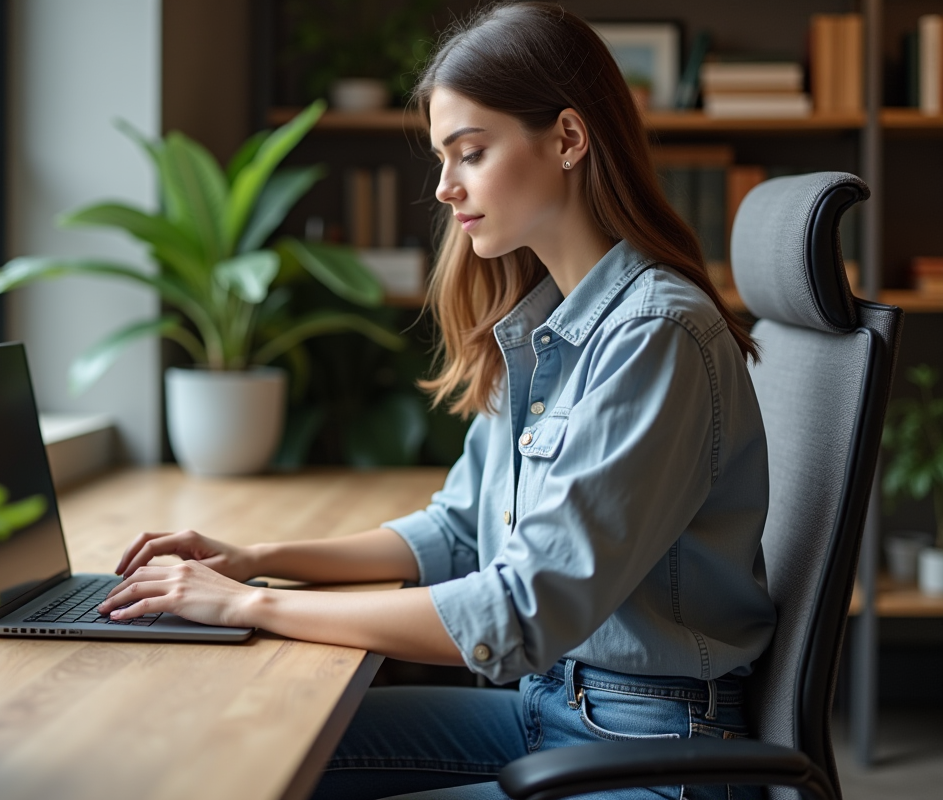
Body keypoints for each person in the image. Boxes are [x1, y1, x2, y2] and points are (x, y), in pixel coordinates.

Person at [98, 3, 776, 798]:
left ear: (567, 139)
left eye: (472, 153)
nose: (447, 188)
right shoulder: (547, 326)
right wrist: (256, 561)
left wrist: (251, 605)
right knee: (246, 750)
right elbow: (459, 531)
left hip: (649, 749)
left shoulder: (654, 336)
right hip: (554, 708)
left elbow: (521, 612)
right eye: (443, 158)